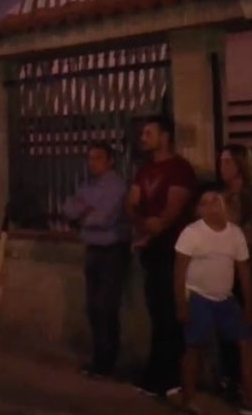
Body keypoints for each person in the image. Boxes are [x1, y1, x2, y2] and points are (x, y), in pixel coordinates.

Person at [174, 183, 252, 415]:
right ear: (198, 209)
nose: (212, 207)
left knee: (247, 341)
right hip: (198, 296)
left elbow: (243, 271)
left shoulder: (234, 233)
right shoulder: (192, 233)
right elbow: (179, 272)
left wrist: (249, 305)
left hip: (225, 298)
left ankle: (250, 399)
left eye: (215, 200)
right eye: (205, 203)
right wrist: (182, 305)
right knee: (194, 347)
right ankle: (188, 399)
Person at [125, 116, 197, 398]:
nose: (143, 137)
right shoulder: (144, 170)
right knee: (157, 313)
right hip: (151, 250)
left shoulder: (179, 169)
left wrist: (149, 228)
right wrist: (144, 226)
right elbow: (131, 205)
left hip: (173, 250)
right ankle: (157, 374)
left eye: (149, 132)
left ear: (165, 137)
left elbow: (171, 212)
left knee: (170, 314)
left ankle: (170, 376)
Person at [62, 142, 131, 379]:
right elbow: (69, 209)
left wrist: (84, 213)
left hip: (112, 250)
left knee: (106, 307)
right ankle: (100, 359)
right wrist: (84, 211)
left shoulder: (116, 186)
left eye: (98, 158)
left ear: (110, 160)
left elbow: (103, 217)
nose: (93, 164)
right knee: (93, 307)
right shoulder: (87, 185)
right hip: (93, 249)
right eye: (90, 159)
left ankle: (107, 361)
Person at [216, 144, 252, 399]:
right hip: (225, 269)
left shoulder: (247, 196)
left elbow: (233, 227)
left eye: (228, 162)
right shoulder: (224, 195)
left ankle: (246, 384)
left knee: (243, 327)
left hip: (247, 268)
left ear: (240, 165)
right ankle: (230, 378)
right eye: (221, 162)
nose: (222, 167)